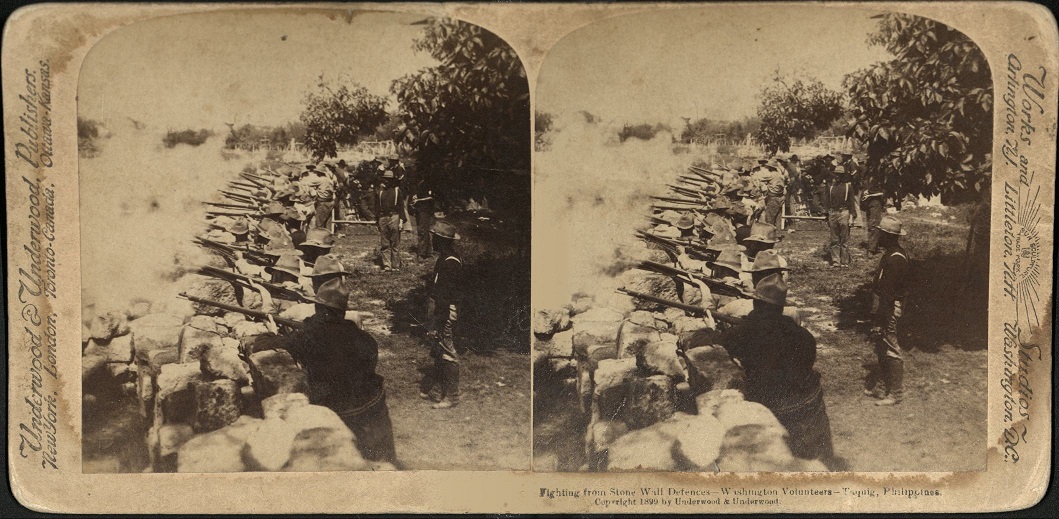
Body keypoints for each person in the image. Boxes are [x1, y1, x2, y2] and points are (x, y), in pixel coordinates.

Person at [243, 275, 399, 466]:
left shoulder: (311, 336)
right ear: (343, 312)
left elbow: (265, 345)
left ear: (320, 308)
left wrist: (268, 334)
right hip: (375, 408)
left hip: (339, 413)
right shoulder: (366, 339)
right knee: (385, 466)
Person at [720, 274, 841, 469]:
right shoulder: (803, 335)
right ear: (780, 306)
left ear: (755, 302)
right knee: (819, 464)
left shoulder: (745, 331)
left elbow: (718, 344)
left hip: (774, 409)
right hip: (810, 403)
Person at [419, 221, 464, 409]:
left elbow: (445, 296)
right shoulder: (444, 258)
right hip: (441, 307)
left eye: (435, 238)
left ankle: (452, 396)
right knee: (439, 348)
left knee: (447, 351)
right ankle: (433, 385)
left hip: (445, 310)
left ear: (442, 241)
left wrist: (439, 319)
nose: (433, 241)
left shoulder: (451, 263)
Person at [866, 215, 910, 406]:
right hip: (885, 305)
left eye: (881, 234)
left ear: (888, 236)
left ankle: (896, 393)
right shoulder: (891, 253)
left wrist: (879, 320)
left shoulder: (896, 259)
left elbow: (889, 295)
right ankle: (884, 387)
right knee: (882, 347)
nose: (878, 237)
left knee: (891, 349)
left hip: (889, 308)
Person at [820, 165, 858, 267]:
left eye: (840, 175)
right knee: (834, 239)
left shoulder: (848, 187)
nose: (838, 176)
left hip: (844, 213)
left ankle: (844, 261)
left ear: (844, 175)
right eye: (836, 174)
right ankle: (836, 261)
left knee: (844, 239)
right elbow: (827, 202)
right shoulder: (830, 187)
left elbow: (851, 203)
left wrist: (852, 216)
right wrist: (826, 214)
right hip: (833, 213)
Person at [375, 170, 409, 272]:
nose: (387, 181)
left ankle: (395, 265)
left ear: (393, 180)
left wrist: (401, 221)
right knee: (385, 243)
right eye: (385, 179)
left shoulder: (397, 191)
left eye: (389, 180)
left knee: (395, 243)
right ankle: (387, 265)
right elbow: (376, 207)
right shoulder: (380, 192)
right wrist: (377, 221)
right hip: (383, 218)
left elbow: (401, 207)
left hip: (394, 217)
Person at [411, 178, 437, 259]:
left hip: (425, 210)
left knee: (423, 230)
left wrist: (418, 200)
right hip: (420, 209)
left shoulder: (429, 183)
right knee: (422, 230)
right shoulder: (420, 182)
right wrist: (415, 196)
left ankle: (423, 252)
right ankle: (427, 251)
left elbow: (431, 197)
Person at [860, 176, 886, 254]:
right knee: (874, 225)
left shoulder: (870, 178)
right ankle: (872, 248)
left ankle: (874, 246)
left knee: (873, 225)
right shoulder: (876, 178)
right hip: (874, 203)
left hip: (871, 203)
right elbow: (880, 191)